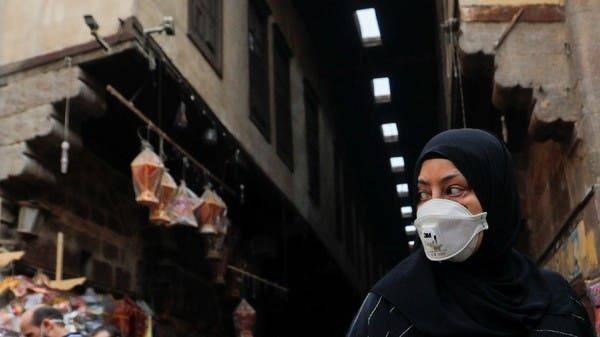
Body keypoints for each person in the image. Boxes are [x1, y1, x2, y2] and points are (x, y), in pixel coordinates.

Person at [346, 129, 595, 337]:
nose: (434, 207)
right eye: (423, 194)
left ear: (495, 196)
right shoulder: (391, 309)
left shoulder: (559, 301)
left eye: (453, 189)